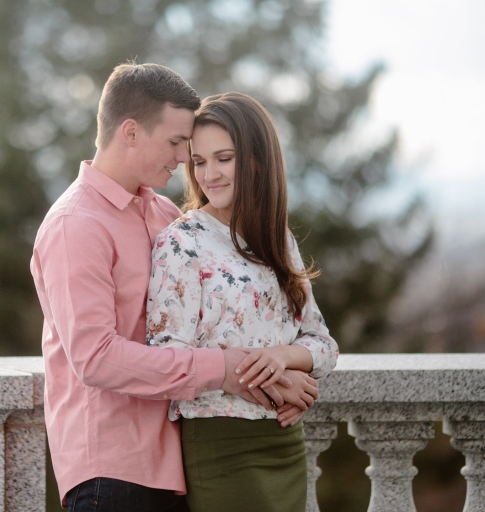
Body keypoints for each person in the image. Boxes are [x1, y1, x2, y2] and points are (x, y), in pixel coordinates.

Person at [31, 64, 316, 511]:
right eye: (176, 143)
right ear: (129, 132)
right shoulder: (75, 226)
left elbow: (221, 327)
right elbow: (96, 358)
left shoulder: (164, 216)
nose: (185, 159)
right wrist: (224, 370)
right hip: (113, 471)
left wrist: (280, 378)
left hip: (179, 462)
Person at [146, 91, 339, 512]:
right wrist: (275, 380)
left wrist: (282, 356)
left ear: (256, 159)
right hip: (220, 446)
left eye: (224, 158)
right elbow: (168, 359)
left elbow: (324, 346)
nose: (209, 174)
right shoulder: (181, 243)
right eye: (199, 162)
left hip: (285, 443)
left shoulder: (278, 241)